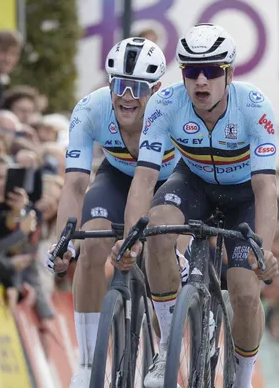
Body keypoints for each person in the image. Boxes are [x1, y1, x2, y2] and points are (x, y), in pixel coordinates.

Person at [111, 23, 279, 388]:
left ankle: (243, 380)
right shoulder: (165, 104)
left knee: (246, 292)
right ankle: (168, 347)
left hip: (243, 197)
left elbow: (266, 187)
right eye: (191, 72)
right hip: (194, 183)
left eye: (211, 72)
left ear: (229, 74)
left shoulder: (254, 106)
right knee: (156, 230)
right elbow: (143, 179)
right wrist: (129, 238)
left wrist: (262, 249)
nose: (201, 82)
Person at [45, 37, 181, 388]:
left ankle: (171, 341)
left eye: (138, 88)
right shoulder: (90, 109)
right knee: (91, 248)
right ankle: (88, 363)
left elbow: (153, 184)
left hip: (173, 179)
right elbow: (75, 184)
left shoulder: (169, 109)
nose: (128, 97)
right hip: (119, 175)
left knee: (161, 244)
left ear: (156, 89)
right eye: (120, 85)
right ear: (109, 84)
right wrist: (65, 244)